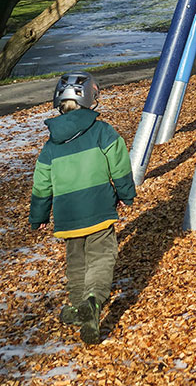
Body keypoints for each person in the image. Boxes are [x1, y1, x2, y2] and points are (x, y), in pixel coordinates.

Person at [29, 72, 136, 345]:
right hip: (99, 208)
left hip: (67, 216)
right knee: (101, 258)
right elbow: (120, 165)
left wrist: (39, 215)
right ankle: (94, 300)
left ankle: (78, 307)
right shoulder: (102, 131)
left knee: (77, 262)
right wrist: (126, 193)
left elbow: (41, 184)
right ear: (91, 100)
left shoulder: (50, 146)